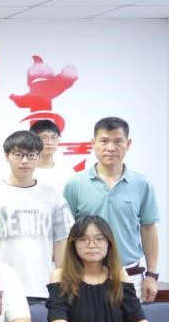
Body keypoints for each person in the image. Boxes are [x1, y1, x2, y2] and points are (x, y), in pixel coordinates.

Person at [63, 117, 159, 302]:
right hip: (85, 275)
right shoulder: (75, 183)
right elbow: (66, 232)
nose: (110, 147)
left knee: (132, 321)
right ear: (93, 143)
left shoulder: (142, 184)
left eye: (118, 141)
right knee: (86, 321)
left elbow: (148, 228)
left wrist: (152, 274)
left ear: (128, 144)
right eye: (104, 141)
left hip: (130, 274)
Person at [0, 131, 73, 302]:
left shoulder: (53, 196)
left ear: (39, 157)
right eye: (18, 154)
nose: (25, 161)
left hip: (43, 287)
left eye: (31, 155)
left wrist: (61, 284)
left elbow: (61, 242)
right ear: (7, 156)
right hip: (2, 289)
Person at [47, 216, 151, 322]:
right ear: (73, 244)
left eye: (99, 239)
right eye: (83, 239)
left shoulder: (119, 275)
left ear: (109, 243)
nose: (92, 245)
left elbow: (141, 321)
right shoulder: (60, 276)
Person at [31, 119, 75, 190]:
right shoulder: (26, 170)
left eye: (53, 137)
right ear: (33, 140)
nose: (49, 142)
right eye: (43, 138)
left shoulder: (67, 171)